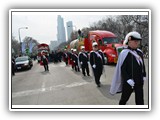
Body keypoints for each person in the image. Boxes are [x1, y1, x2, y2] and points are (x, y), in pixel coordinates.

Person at [110, 31, 147, 105]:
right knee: (124, 99)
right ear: (129, 41)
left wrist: (144, 75)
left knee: (140, 100)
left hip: (139, 81)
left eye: (138, 41)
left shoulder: (139, 52)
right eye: (135, 41)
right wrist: (128, 79)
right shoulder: (124, 53)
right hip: (129, 82)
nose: (137, 43)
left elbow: (142, 66)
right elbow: (122, 69)